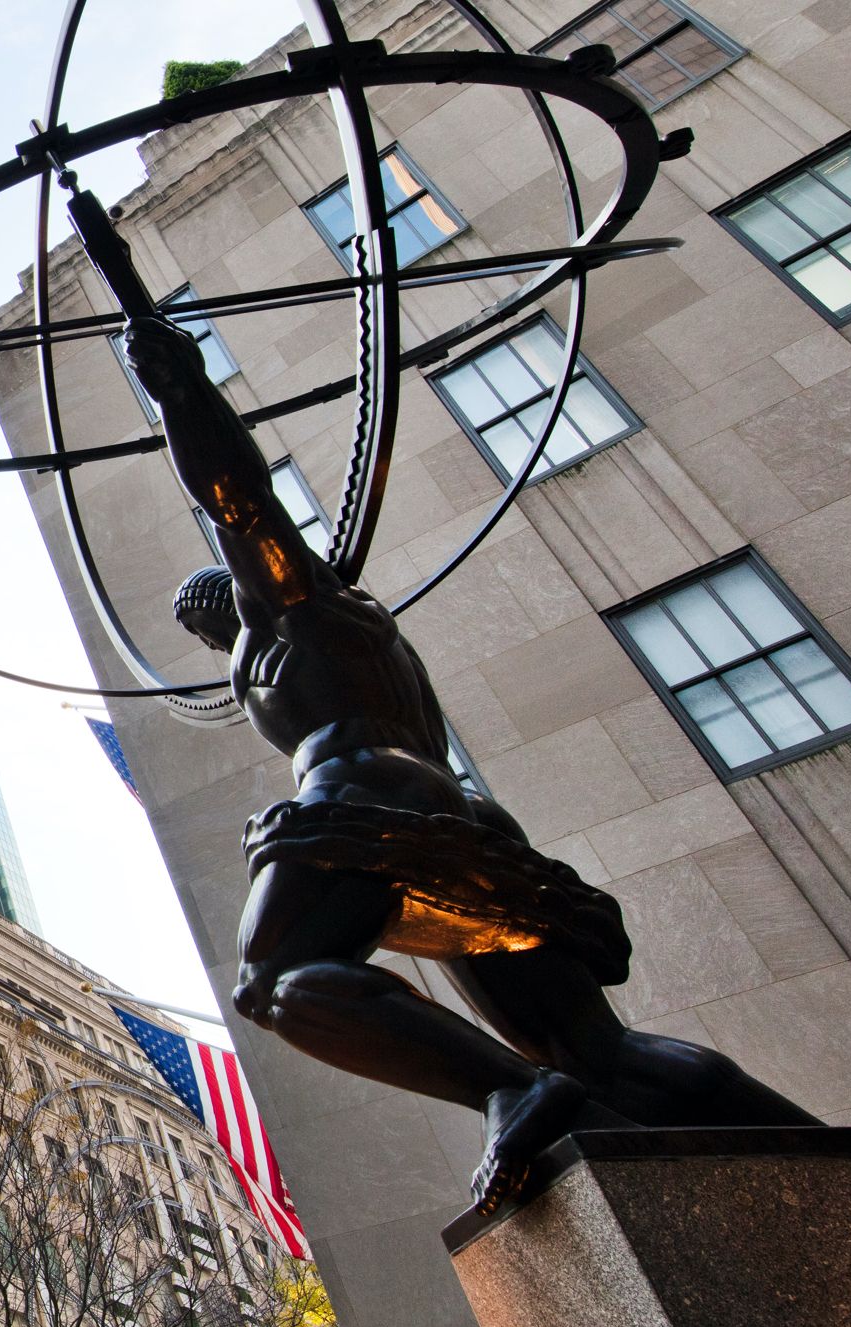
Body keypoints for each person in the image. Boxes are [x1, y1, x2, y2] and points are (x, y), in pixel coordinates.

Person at [124, 304, 815, 1215]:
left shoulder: (292, 609)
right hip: (457, 813)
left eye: (201, 615)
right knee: (596, 1054)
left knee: (273, 984)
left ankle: (513, 1092)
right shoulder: (361, 642)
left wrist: (176, 389)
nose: (205, 634)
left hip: (362, 798)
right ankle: (813, 1153)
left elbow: (235, 497)